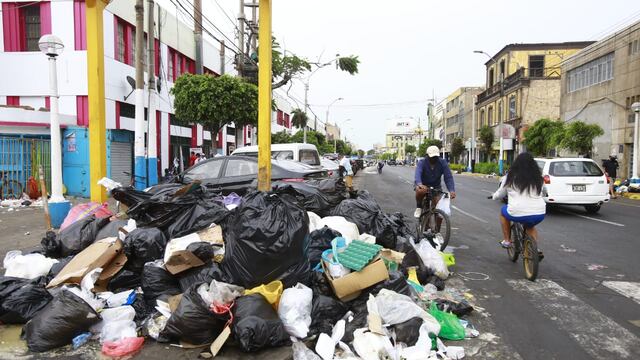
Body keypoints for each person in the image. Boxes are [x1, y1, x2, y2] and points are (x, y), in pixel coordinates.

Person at [491, 152, 545, 252]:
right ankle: (535, 250)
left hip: (517, 211)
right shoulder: (539, 178)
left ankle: (507, 241)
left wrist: (494, 196)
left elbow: (501, 193)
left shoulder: (510, 176)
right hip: (539, 213)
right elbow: (542, 193)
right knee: (530, 226)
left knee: (503, 212)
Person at [414, 145, 456, 218]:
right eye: (432, 157)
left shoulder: (442, 162)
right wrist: (420, 184)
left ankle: (436, 229)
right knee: (420, 191)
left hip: (436, 187)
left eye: (435, 157)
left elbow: (448, 177)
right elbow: (418, 174)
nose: (434, 159)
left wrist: (451, 190)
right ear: (427, 156)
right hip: (423, 185)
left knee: (440, 210)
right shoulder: (422, 162)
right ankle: (419, 207)